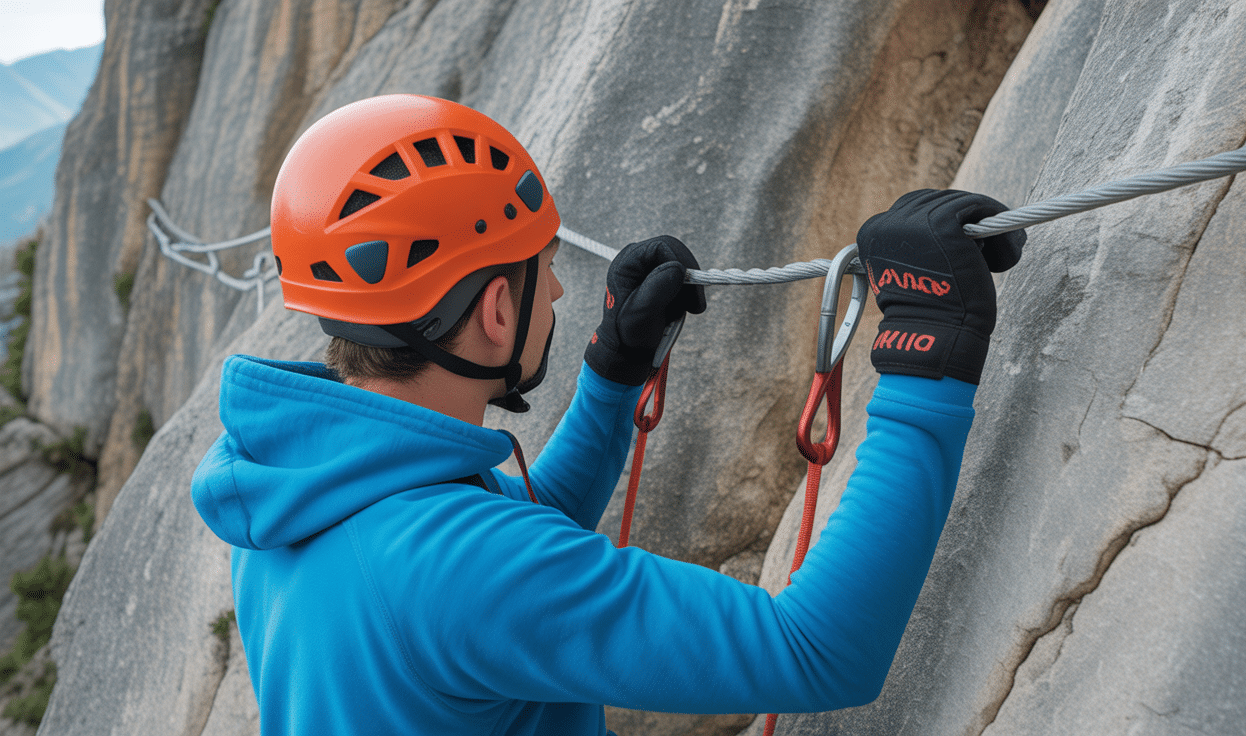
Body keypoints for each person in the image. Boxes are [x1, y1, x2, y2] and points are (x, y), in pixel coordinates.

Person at [191, 94, 1024, 736]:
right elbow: (817, 651)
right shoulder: (461, 564)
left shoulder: (295, 487)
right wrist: (926, 362)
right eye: (543, 268)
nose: (557, 290)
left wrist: (611, 376)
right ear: (495, 311)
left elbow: (511, 549)